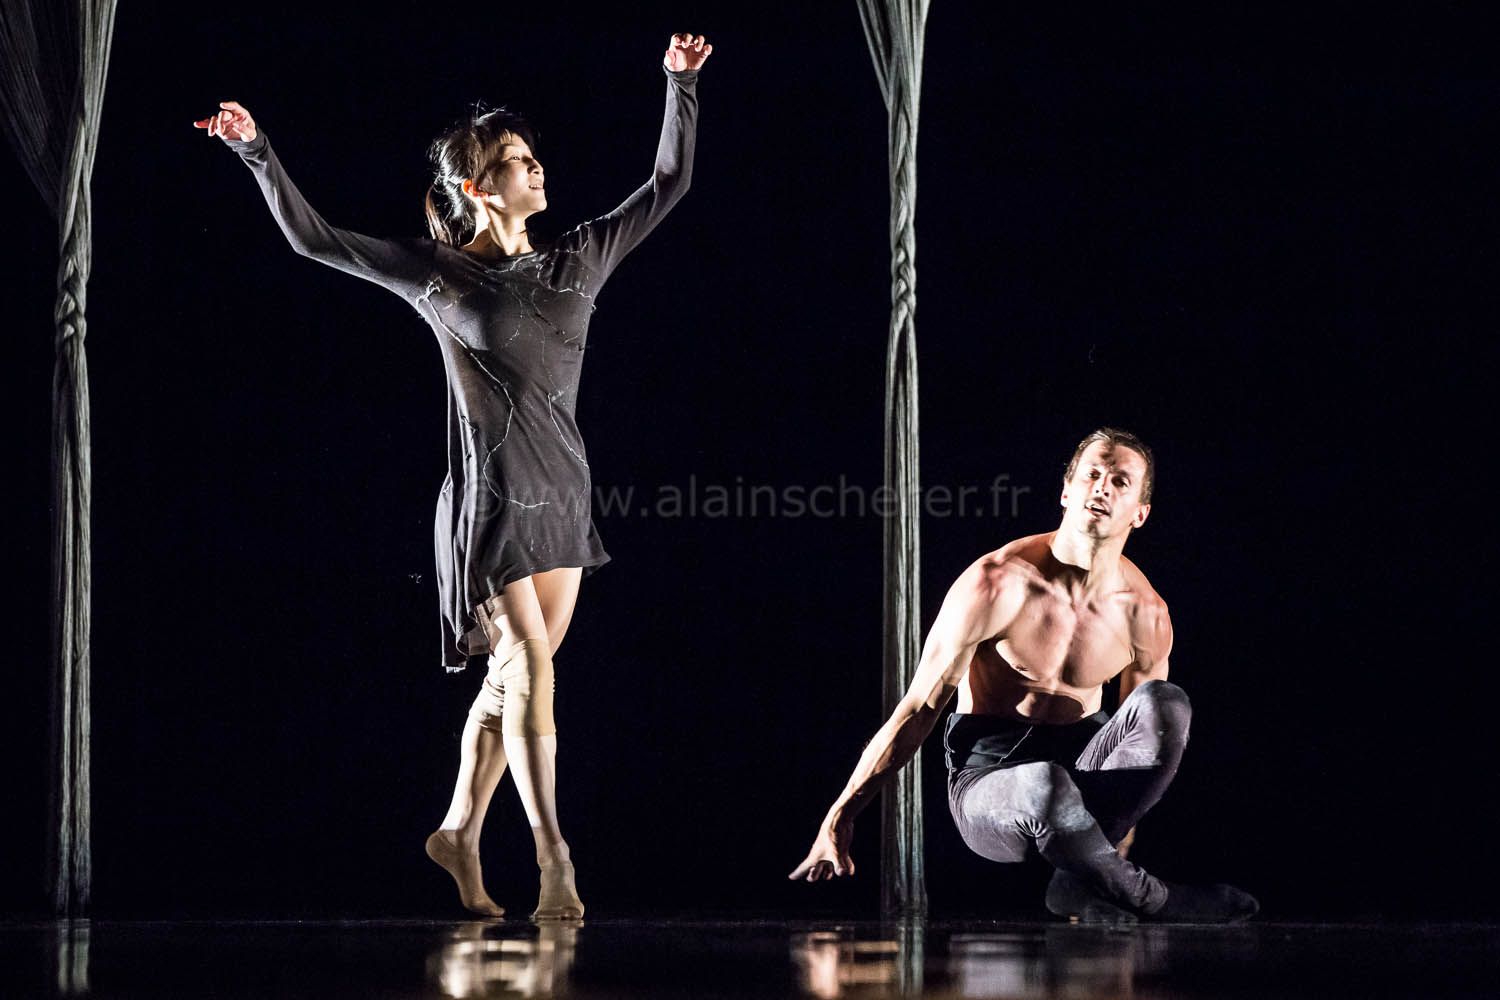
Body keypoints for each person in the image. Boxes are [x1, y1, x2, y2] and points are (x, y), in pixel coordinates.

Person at [196, 32, 713, 920]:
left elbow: (669, 184)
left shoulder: (579, 256)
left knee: (514, 678)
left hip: (563, 493)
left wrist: (680, 85)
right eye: (515, 160)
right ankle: (554, 858)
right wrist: (256, 151)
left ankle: (459, 833)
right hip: (492, 498)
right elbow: (316, 241)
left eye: (532, 154)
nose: (535, 166)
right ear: (477, 188)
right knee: (530, 663)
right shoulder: (439, 276)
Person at [789, 428, 1258, 923]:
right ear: (1066, 492)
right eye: (1091, 474)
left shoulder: (1146, 613)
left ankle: (1076, 884)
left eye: (1120, 481)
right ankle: (1153, 897)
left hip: (1083, 779)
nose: (1102, 486)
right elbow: (919, 709)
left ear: (1139, 513)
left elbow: (1136, 761)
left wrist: (1101, 858)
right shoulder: (996, 584)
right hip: (990, 785)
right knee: (1045, 784)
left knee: (1167, 702)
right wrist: (840, 815)